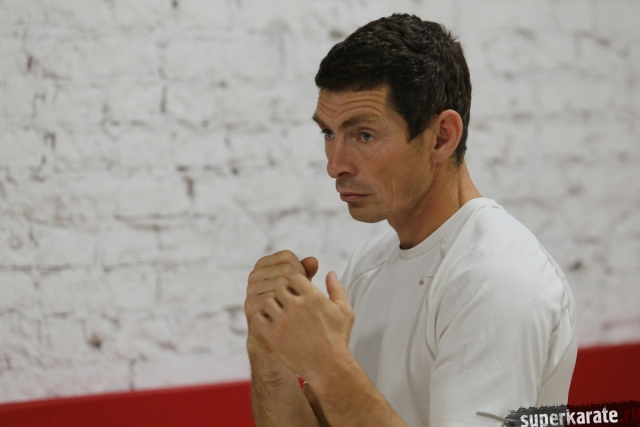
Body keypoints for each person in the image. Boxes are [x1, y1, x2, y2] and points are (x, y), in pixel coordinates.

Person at [244, 14, 577, 427]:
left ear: (442, 137)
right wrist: (269, 356)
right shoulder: (369, 264)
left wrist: (328, 365)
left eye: (364, 135)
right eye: (328, 133)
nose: (335, 165)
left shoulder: (496, 279)